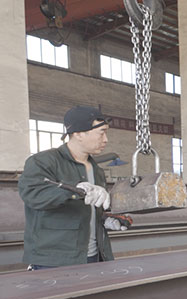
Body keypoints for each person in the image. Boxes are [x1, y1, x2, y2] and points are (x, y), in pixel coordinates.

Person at [18, 106, 125, 270]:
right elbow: (33, 194)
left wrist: (106, 219)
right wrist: (75, 191)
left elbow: (89, 209)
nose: (106, 140)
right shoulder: (44, 161)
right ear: (79, 133)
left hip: (95, 255)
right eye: (101, 133)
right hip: (55, 260)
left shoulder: (96, 170)